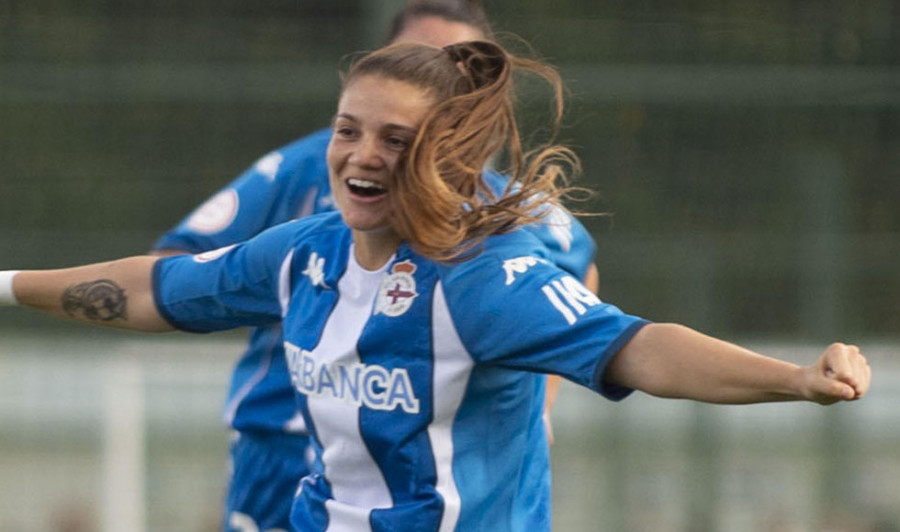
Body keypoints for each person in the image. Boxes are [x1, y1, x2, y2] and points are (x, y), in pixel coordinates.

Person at [0, 40, 870, 532]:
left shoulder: (485, 281)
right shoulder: (304, 253)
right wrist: (7, 285)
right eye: (347, 131)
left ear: (448, 156)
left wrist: (793, 379)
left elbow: (639, 347)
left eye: (395, 139)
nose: (361, 155)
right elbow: (161, 287)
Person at [152, 2, 595, 530]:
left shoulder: (499, 209)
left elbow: (578, 272)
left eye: (452, 68)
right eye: (419, 55)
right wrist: (283, 294)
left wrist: (540, 406)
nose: (429, 73)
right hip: (285, 450)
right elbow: (177, 261)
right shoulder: (310, 167)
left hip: (409, 462)